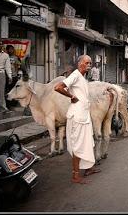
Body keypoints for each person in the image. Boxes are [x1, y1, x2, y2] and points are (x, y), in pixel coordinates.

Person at [54, 55, 101, 184]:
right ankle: (75, 175)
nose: (89, 65)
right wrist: (71, 96)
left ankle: (88, 169)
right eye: (87, 63)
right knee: (78, 146)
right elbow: (58, 87)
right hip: (77, 116)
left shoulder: (82, 78)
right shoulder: (75, 75)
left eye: (90, 63)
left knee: (87, 143)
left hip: (84, 116)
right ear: (80, 64)